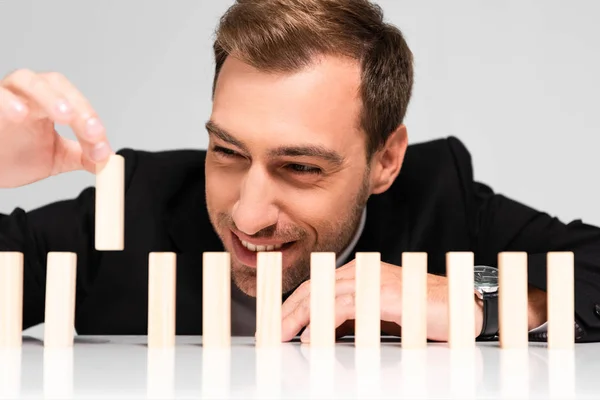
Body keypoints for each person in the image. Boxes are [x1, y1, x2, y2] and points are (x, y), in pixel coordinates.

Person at [0, 0, 599, 343]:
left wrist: (482, 303)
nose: (248, 215)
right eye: (228, 153)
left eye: (302, 167)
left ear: (386, 160)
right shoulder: (135, 201)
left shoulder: (442, 199)